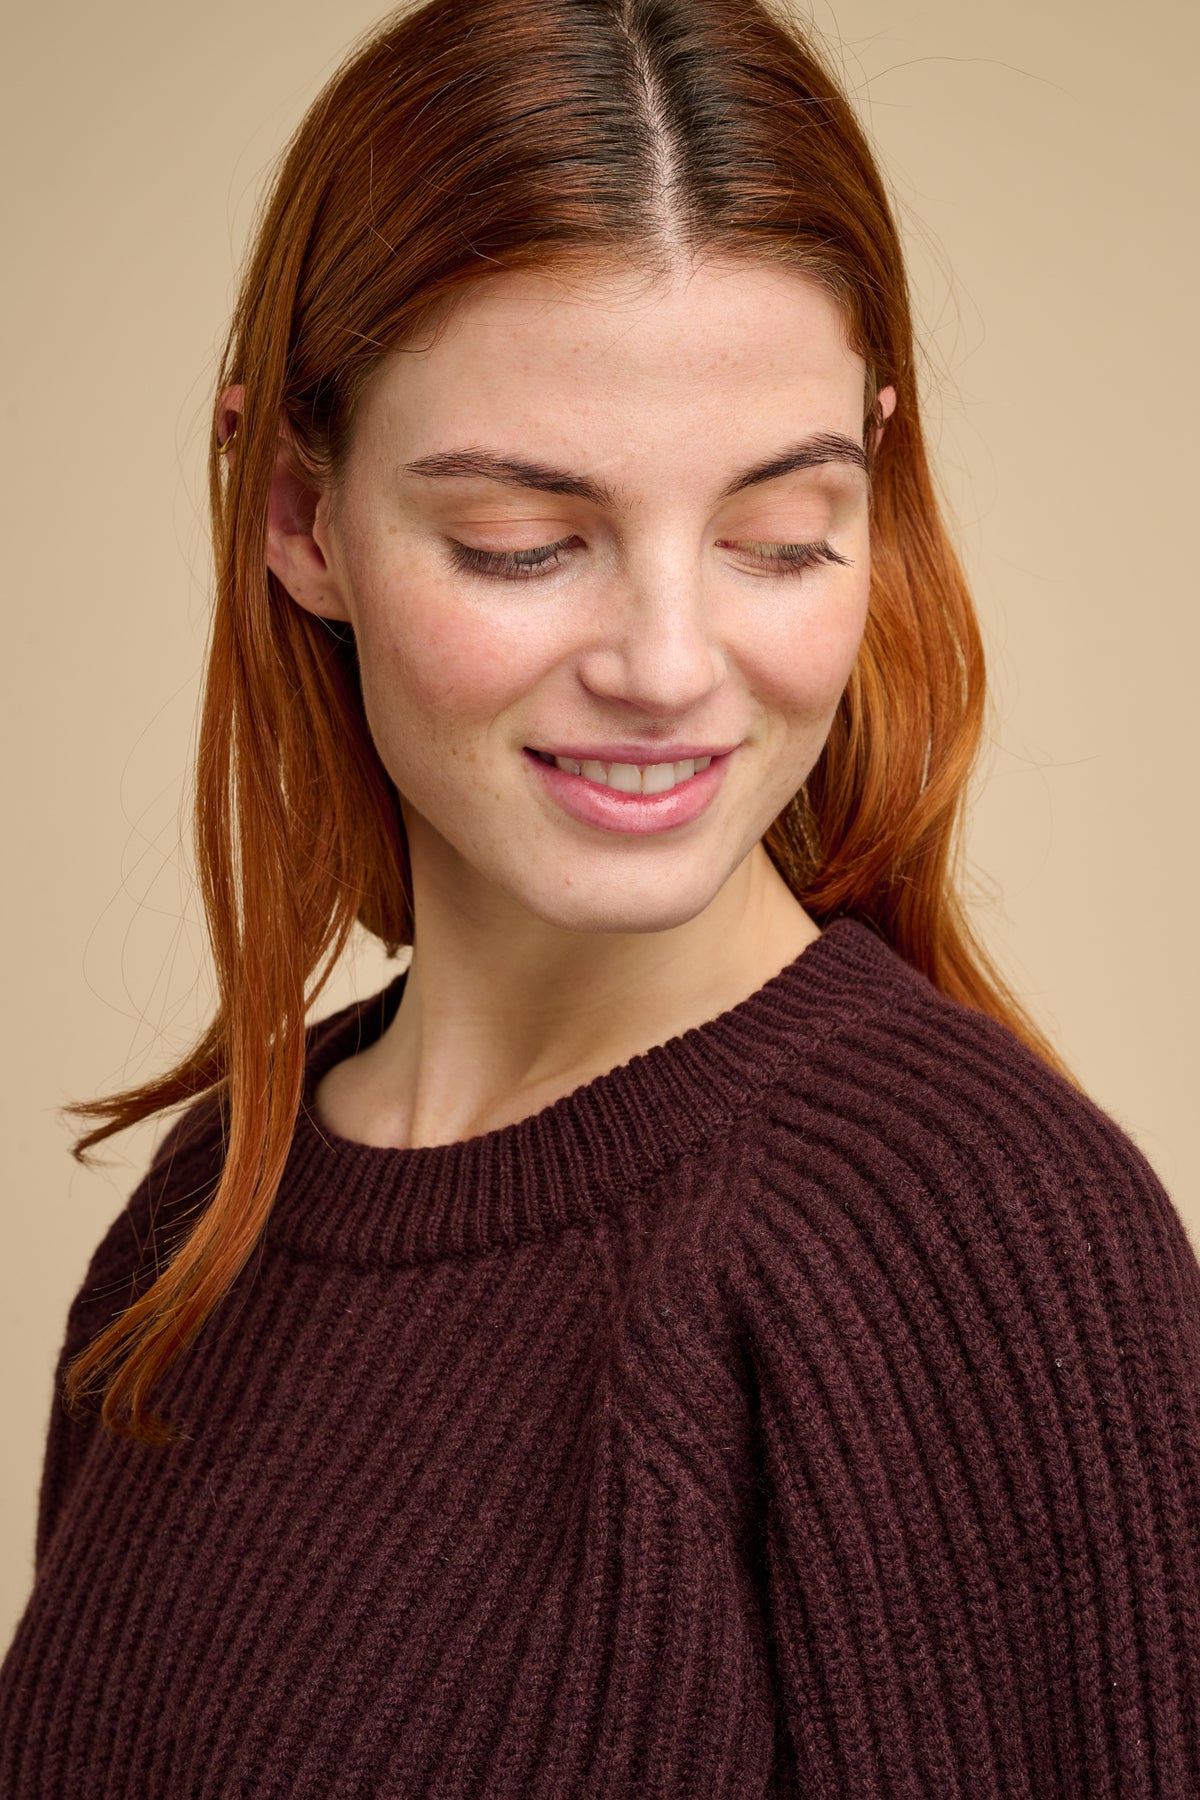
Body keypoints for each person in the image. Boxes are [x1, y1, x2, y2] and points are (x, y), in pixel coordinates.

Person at [2, 0, 1198, 1791]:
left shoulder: (973, 1236)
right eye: (524, 544)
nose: (669, 665)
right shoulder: (201, 1222)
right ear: (300, 515)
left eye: (778, 535)